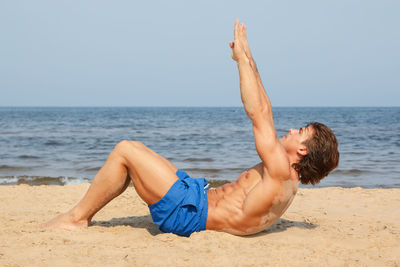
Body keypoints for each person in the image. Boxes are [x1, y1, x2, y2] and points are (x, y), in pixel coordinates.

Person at [41, 19, 339, 236]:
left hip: (189, 213)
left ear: (302, 149)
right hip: (197, 199)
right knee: (138, 152)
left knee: (125, 150)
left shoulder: (279, 169)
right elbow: (266, 109)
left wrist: (239, 64)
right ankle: (84, 213)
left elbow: (258, 112)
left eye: (299, 131)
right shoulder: (288, 179)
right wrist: (247, 58)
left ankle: (77, 217)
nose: (290, 130)